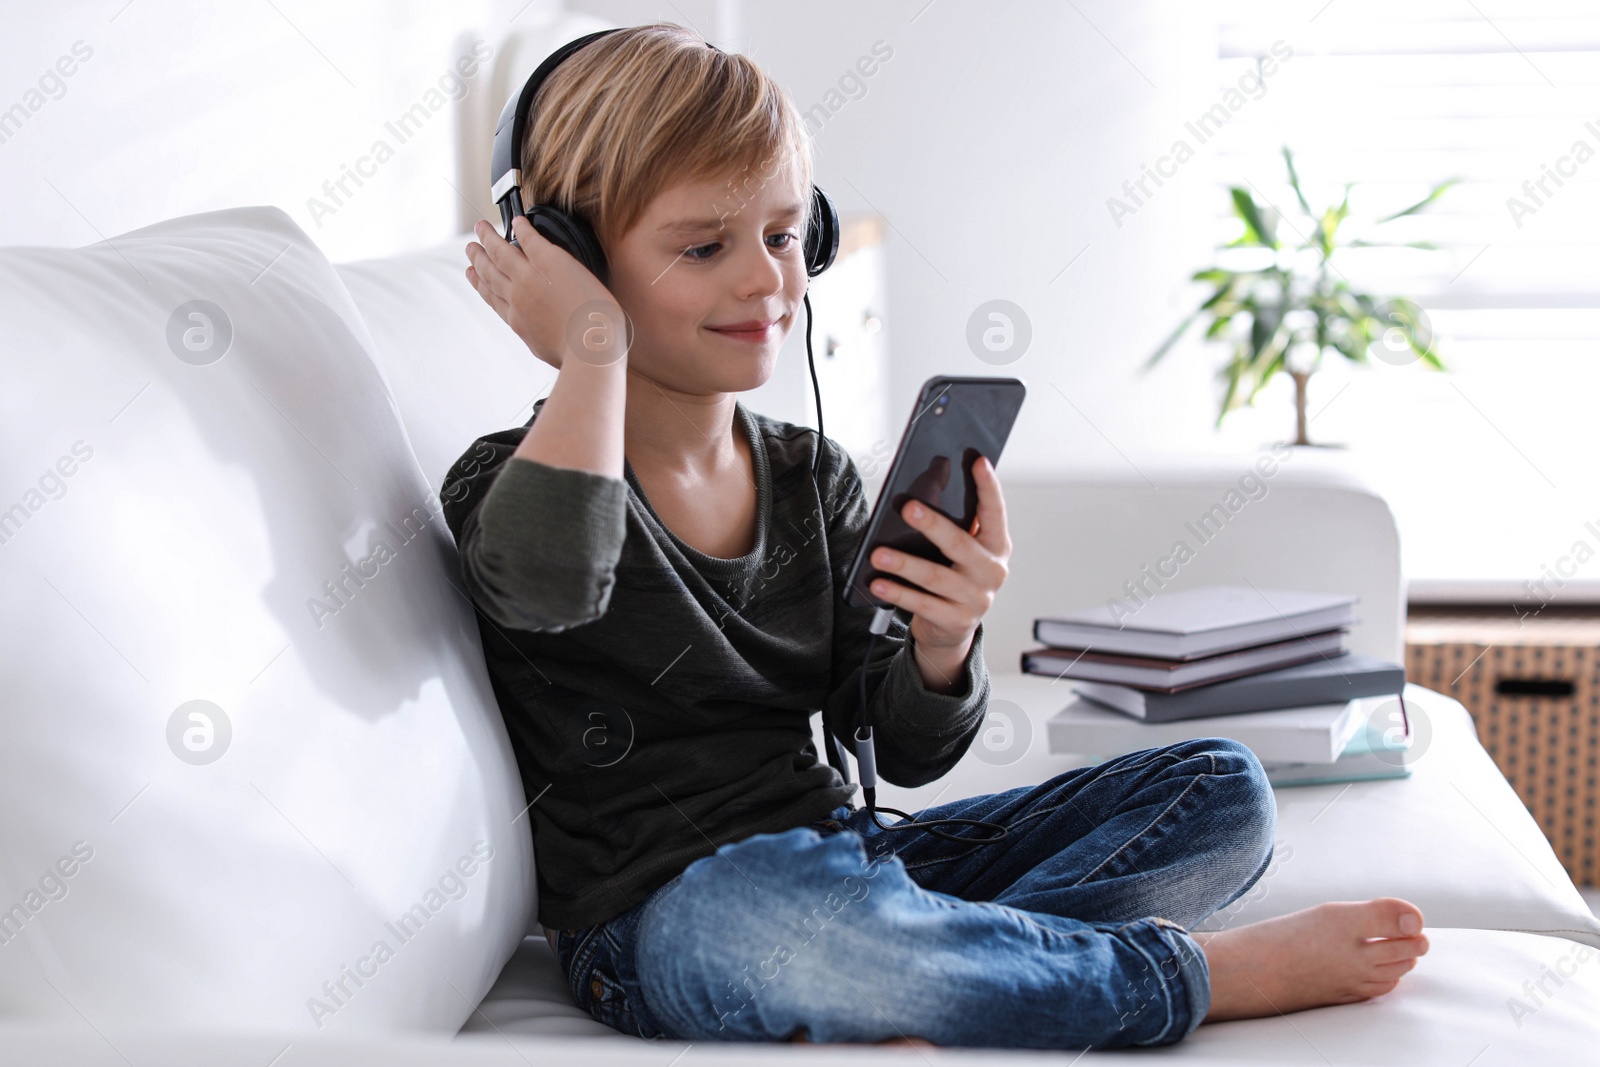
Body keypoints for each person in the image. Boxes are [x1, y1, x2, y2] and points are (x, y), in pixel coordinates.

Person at [444, 22, 1429, 1050]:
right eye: (705, 246)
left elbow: (903, 750)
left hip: (852, 865)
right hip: (674, 918)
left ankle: (943, 970)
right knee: (790, 922)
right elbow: (553, 580)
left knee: (1220, 788)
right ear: (566, 254)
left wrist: (942, 643)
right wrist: (591, 350)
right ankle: (1166, 975)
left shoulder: (805, 475)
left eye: (785, 236)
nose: (766, 282)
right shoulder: (504, 480)